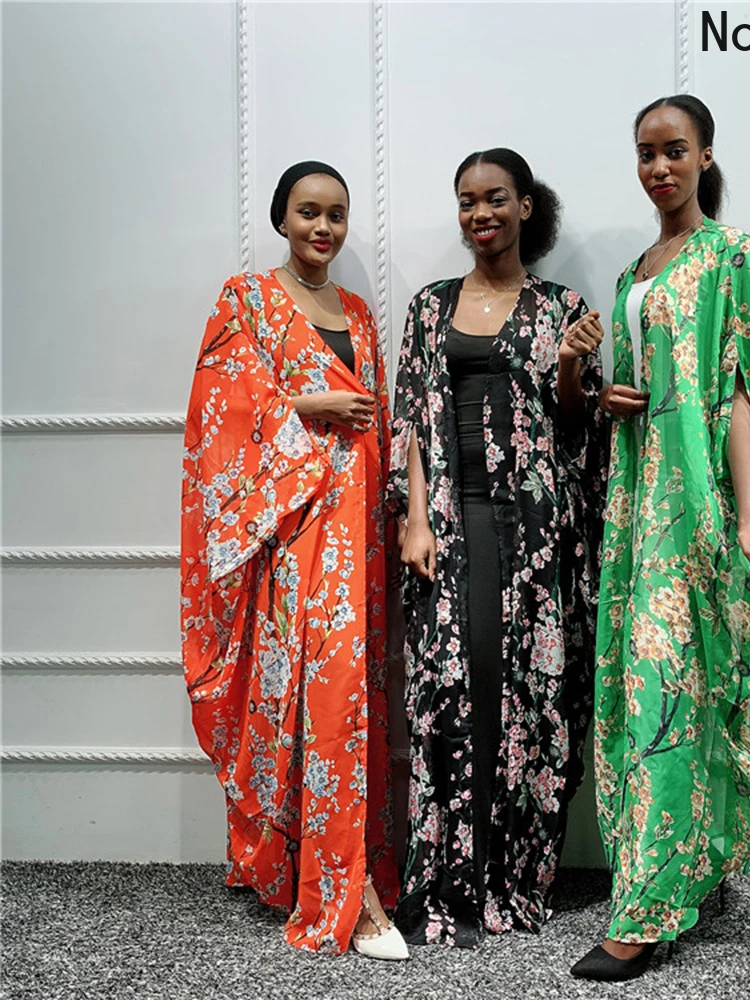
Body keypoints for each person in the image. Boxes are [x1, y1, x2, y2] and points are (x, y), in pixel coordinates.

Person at [571, 97, 750, 981]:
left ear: (705, 155)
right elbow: (644, 383)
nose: (659, 168)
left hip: (697, 511)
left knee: (669, 691)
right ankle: (667, 879)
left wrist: (748, 519)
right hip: (636, 506)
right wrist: (609, 395)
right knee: (640, 691)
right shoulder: (634, 271)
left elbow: (745, 389)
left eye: (674, 150)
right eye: (646, 153)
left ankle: (645, 916)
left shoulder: (729, 255)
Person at [181, 161, 406, 960]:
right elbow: (218, 412)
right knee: (312, 698)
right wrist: (314, 405)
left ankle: (341, 867)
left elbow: (381, 419)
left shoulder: (358, 313)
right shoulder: (246, 299)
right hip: (292, 535)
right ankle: (346, 893)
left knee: (350, 699)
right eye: (309, 212)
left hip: (360, 531)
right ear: (282, 218)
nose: (323, 228)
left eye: (336, 215)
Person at [389, 148, 608, 946]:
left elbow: (577, 430)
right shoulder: (429, 307)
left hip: (534, 532)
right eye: (467, 201)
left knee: (523, 693)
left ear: (525, 206)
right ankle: (451, 874)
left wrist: (574, 365)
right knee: (453, 691)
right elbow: (411, 419)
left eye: (494, 199)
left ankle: (512, 875)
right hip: (451, 522)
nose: (479, 214)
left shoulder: (561, 307)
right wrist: (415, 519)